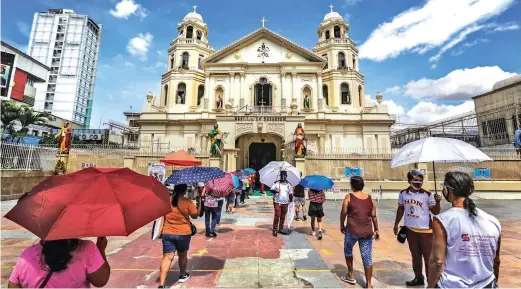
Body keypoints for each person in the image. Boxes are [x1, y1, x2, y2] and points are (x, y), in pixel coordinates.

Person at [428, 172, 501, 289]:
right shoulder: (493, 221)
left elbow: (437, 262)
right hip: (487, 284)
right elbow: (496, 261)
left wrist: (430, 287)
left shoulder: (442, 220)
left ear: (447, 190)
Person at [393, 169, 441, 286]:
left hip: (426, 231)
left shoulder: (427, 195)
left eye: (420, 181)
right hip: (410, 230)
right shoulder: (403, 194)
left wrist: (438, 202)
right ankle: (418, 277)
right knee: (415, 256)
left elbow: (435, 211)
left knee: (428, 257)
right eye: (415, 180)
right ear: (409, 181)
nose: (418, 183)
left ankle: (431, 281)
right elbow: (401, 209)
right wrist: (396, 223)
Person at [8, 237, 110, 288]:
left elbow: (12, 285)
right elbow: (100, 281)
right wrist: (100, 249)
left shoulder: (27, 255)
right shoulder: (87, 249)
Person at [159, 184, 202, 287]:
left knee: (167, 257)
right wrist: (199, 201)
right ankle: (182, 275)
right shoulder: (187, 202)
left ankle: (161, 284)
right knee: (182, 255)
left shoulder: (167, 200)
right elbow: (195, 215)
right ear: (184, 191)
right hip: (183, 233)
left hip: (167, 232)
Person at [340, 176, 379, 288]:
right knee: (367, 256)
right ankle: (369, 284)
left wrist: (342, 225)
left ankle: (351, 275)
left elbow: (343, 213)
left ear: (352, 186)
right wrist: (376, 229)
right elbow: (374, 216)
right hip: (367, 232)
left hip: (352, 231)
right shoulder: (370, 198)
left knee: (348, 250)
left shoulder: (349, 197)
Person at [271, 171, 292, 236]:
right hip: (278, 202)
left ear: (286, 176)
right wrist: (275, 191)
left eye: (285, 176)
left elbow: (290, 193)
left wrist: (291, 202)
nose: (283, 177)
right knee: (277, 215)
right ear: (280, 176)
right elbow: (271, 190)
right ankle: (275, 229)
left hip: (285, 203)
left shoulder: (289, 184)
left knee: (283, 216)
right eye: (282, 176)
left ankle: (281, 229)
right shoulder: (276, 183)